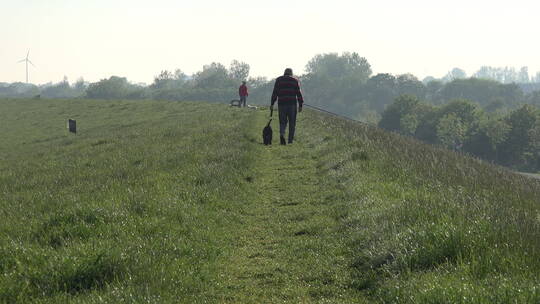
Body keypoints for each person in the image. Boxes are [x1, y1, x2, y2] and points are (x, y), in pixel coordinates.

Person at [271, 68, 304, 145]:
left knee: (282, 122)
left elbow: (275, 92)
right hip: (292, 104)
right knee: (292, 123)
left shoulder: (278, 80)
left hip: (281, 104)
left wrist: (272, 103)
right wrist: (300, 104)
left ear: (284, 73)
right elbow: (299, 93)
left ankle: (282, 134)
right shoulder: (295, 81)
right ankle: (290, 141)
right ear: (291, 73)